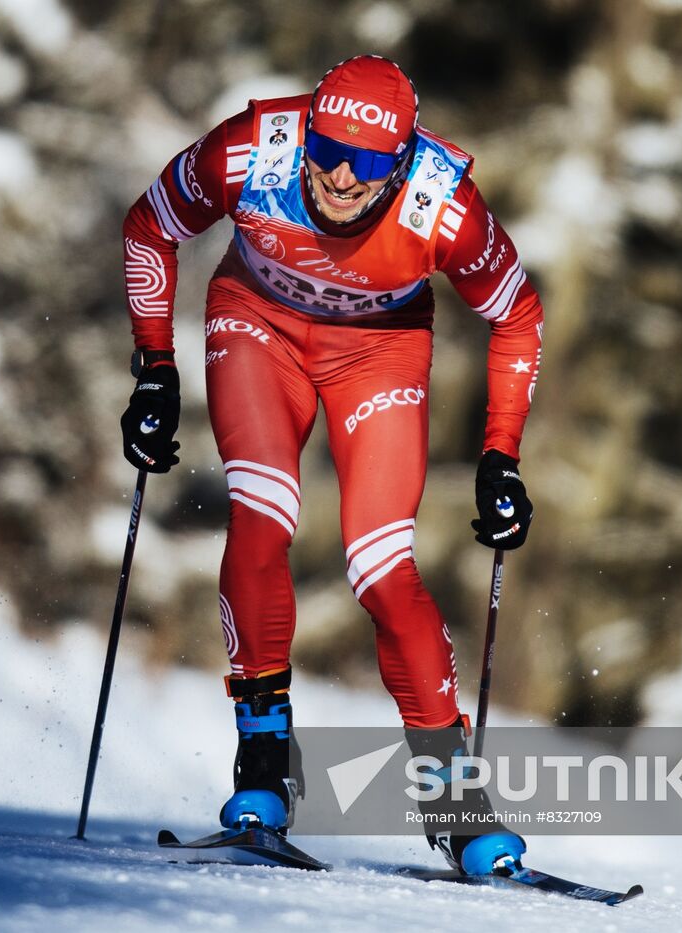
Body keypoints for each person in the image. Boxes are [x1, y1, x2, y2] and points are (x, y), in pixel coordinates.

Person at [118, 55, 543, 875]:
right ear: (307, 129)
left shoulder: (443, 205)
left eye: (373, 161)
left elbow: (518, 316)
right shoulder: (246, 152)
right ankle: (264, 768)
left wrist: (500, 455)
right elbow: (150, 227)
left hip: (378, 353)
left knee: (383, 568)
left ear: (404, 159)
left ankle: (455, 800)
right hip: (258, 327)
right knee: (262, 513)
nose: (345, 175)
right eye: (331, 149)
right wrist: (155, 370)